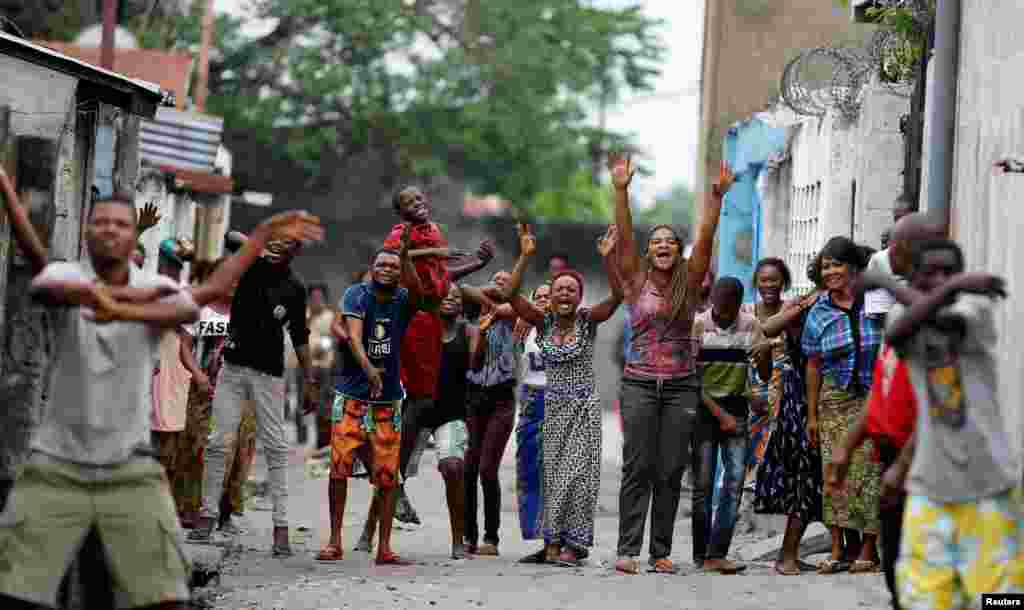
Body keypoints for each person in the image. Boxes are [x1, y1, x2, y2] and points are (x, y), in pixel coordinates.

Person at [608, 152, 735, 574]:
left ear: (680, 251)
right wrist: (621, 191)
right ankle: (627, 550)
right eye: (656, 241)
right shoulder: (634, 279)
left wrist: (716, 199)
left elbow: (707, 236)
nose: (663, 245)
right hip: (639, 384)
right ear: (648, 251)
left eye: (671, 241)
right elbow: (625, 239)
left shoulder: (690, 281)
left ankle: (660, 551)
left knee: (670, 469)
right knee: (637, 467)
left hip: (681, 386)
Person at [880, 239, 1022, 609]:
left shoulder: (976, 307)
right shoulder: (902, 318)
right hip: (929, 491)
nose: (942, 279)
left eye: (951, 272)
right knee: (925, 601)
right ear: (914, 276)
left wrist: (886, 283)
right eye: (931, 272)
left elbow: (947, 324)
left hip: (990, 488)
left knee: (1000, 601)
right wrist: (952, 285)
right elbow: (896, 334)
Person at [487, 223, 623, 565]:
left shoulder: (588, 320)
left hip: (583, 408)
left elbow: (618, 296)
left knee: (577, 476)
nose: (564, 294)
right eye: (559, 289)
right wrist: (525, 255)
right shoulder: (542, 322)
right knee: (550, 476)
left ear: (579, 296)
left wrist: (609, 259)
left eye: (571, 290)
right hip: (553, 407)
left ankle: (574, 546)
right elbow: (510, 295)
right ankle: (552, 544)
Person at [829, 213, 946, 608]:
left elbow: (939, 402)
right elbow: (884, 385)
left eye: (895, 245)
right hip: (893, 455)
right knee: (898, 566)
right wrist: (847, 445)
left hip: (925, 461)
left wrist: (903, 466)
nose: (887, 253)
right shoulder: (900, 310)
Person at [190, 233, 320, 555]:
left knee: (276, 447)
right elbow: (230, 237)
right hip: (233, 368)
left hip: (269, 374)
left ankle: (281, 527)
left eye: (286, 242)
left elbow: (300, 335)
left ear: (296, 250)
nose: (277, 245)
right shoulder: (250, 265)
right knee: (218, 442)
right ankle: (206, 517)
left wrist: (309, 379)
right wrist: (261, 245)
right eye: (275, 239)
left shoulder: (295, 287)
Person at [377, 185, 495, 526]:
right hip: (411, 317)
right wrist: (430, 252)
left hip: (430, 318)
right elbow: (392, 260)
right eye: (409, 201)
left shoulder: (434, 232)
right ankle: (393, 481)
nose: (418, 203)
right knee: (417, 401)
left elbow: (441, 277)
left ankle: (397, 480)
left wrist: (476, 262)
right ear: (401, 211)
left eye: (419, 198)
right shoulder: (400, 234)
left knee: (425, 399)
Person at [318, 227, 433, 565]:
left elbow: (421, 294)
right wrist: (369, 370)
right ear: (372, 268)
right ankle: (334, 541)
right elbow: (354, 337)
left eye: (393, 266)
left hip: (388, 400)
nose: (387, 269)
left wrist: (406, 256)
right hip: (351, 395)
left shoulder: (403, 299)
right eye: (381, 264)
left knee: (386, 474)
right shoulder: (356, 294)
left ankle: (384, 547)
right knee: (339, 468)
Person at [802, 236, 883, 574]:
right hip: (833, 401)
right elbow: (813, 364)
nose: (831, 272)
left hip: (873, 398)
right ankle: (837, 548)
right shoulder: (818, 311)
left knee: (870, 472)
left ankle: (868, 549)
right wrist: (812, 416)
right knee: (835, 473)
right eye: (825, 266)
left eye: (837, 264)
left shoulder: (875, 302)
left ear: (853, 268)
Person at [692, 277, 772, 574]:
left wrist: (765, 356)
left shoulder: (751, 325)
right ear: (712, 299)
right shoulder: (698, 325)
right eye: (720, 304)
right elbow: (691, 379)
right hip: (704, 410)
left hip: (737, 409)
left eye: (731, 306)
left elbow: (764, 373)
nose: (724, 312)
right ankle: (702, 553)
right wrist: (720, 415)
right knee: (703, 485)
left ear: (739, 303)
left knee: (735, 481)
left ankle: (716, 553)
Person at [753, 264, 825, 575]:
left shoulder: (842, 305)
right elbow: (768, 328)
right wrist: (801, 305)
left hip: (821, 398)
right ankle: (787, 555)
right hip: (801, 402)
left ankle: (792, 553)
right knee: (804, 476)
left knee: (816, 477)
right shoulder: (805, 305)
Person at [463, 269, 520, 556]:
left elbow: (508, 304)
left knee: (487, 469)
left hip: (502, 399)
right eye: (495, 280)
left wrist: (495, 302)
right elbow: (463, 288)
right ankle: (468, 535)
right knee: (469, 468)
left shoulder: (516, 317)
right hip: (473, 398)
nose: (499, 284)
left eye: (505, 281)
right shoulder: (474, 320)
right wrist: (483, 329)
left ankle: (491, 537)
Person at [741, 258, 793, 487]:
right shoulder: (745, 312)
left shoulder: (790, 312)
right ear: (756, 282)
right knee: (746, 454)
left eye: (774, 280)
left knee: (777, 452)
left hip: (784, 394)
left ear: (783, 282)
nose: (769, 285)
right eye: (763, 280)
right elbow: (737, 356)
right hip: (751, 394)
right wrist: (748, 394)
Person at [150, 239, 192, 508]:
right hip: (152, 374)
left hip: (175, 375)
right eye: (170, 265)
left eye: (178, 266)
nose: (173, 271)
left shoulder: (184, 294)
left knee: (171, 443)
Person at [515, 282, 552, 563]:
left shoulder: (569, 326)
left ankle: (559, 539)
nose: (542, 300)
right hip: (530, 397)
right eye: (537, 297)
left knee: (555, 470)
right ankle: (542, 536)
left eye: (547, 296)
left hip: (558, 398)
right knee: (529, 468)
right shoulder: (524, 328)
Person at [307, 283, 338, 450]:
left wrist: (323, 346)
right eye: (313, 298)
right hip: (308, 368)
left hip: (326, 368)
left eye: (319, 298)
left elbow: (334, 339)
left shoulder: (331, 317)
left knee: (325, 407)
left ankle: (326, 444)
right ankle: (319, 443)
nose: (316, 301)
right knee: (312, 407)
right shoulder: (306, 316)